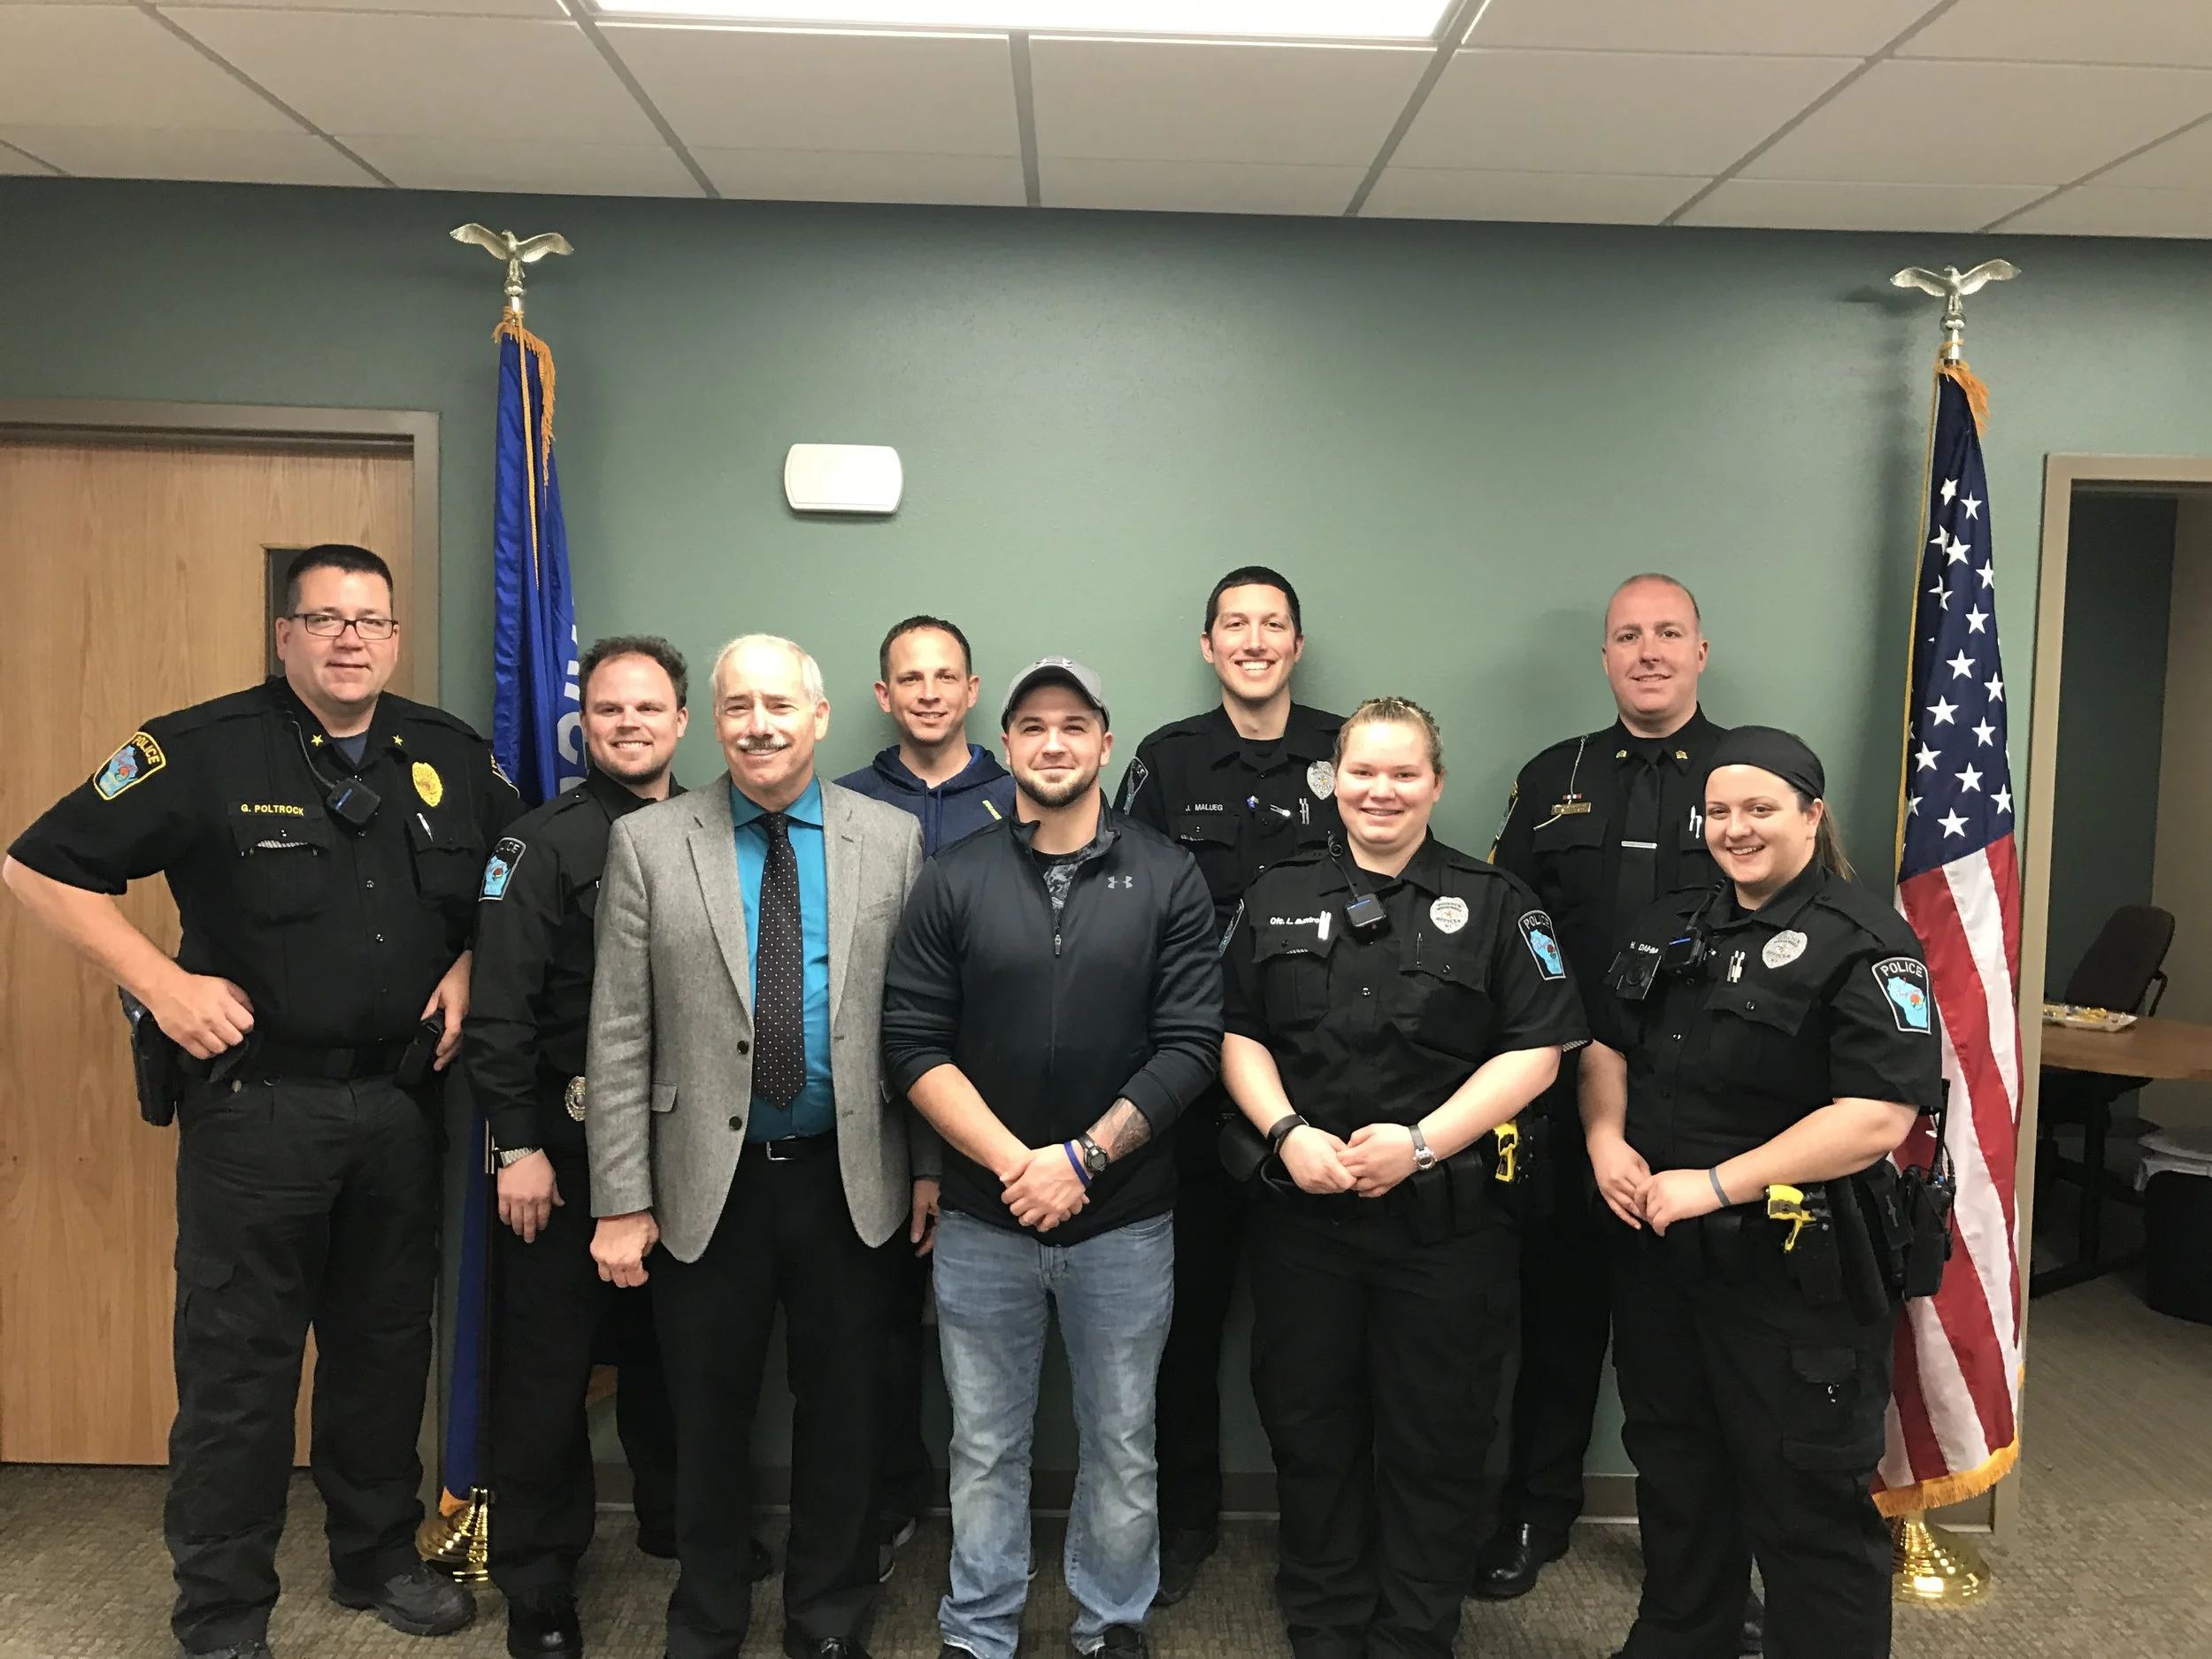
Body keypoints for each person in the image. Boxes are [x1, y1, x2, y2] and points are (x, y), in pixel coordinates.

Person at [2, 544, 517, 1659]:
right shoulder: (199, 748)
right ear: (285, 635)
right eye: (324, 619)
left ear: (394, 637)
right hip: (257, 1111)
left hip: (400, 1105)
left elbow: (510, 883)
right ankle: (224, 1611)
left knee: (384, 1356)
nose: (349, 640)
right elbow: (37, 866)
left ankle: (374, 1557)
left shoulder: (448, 752)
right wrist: (161, 985)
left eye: (370, 621)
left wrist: (472, 966)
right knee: (240, 1372)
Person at [584, 634, 926, 1659]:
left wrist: (930, 1171)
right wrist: (619, 1197)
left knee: (845, 1419)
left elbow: (920, 1022)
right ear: (713, 722)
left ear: (818, 717)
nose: (759, 725)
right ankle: (708, 1618)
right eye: (738, 706)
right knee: (706, 1420)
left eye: (779, 705)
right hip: (704, 1185)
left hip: (849, 1180)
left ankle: (827, 1621)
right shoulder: (650, 843)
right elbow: (619, 1030)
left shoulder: (890, 838)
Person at [1221, 696, 1584, 1659]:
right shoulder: (1275, 893)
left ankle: (1416, 1628)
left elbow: (1539, 1050)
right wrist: (1286, 1132)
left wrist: (1420, 1143)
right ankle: (1325, 1618)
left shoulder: (1497, 900)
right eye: (1364, 771)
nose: (1380, 790)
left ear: (1435, 783)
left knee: (1440, 1436)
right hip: (1306, 1218)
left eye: (1403, 773)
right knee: (1309, 1426)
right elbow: (1237, 1032)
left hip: (1447, 1226)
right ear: (1333, 780)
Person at [882, 657, 1222, 1659]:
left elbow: (1191, 1045)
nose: (1053, 742)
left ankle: (1110, 1620)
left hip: (1126, 1220)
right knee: (984, 1442)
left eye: (1074, 724)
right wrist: (1018, 1165)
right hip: (984, 1220)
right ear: (1008, 746)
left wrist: (1082, 1160)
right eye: (1032, 726)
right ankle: (979, 1625)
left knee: (1122, 1441)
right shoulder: (954, 877)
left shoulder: (1169, 874)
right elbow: (912, 1042)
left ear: (1105, 743)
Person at [1581, 727, 1941, 1659]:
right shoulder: (1669, 922)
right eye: (1718, 811)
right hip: (1665, 1261)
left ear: (1811, 815)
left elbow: (1876, 1116)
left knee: (1805, 1501)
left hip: (1794, 1270)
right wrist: (1605, 1137)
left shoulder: (1864, 939)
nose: (1735, 828)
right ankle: (1682, 1639)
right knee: (1676, 1472)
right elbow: (1607, 1045)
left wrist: (1713, 1185)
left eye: (1759, 809)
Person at [468, 635, 762, 1657]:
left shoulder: (721, 831)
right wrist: (517, 1147)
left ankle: (679, 1521)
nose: (628, 724)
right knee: (547, 1378)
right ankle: (538, 1581)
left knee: (681, 1359)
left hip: (688, 1146)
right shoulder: (537, 845)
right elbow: (500, 1012)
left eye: (647, 708)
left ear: (681, 722)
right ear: (582, 726)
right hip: (567, 1148)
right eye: (607, 709)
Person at [1478, 572, 1733, 1609]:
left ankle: (1696, 1551)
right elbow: (1509, 930)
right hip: (1563, 1099)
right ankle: (1535, 1510)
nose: (1648, 652)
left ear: (1700, 652)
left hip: (1707, 1106)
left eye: (1668, 633)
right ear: (1604, 657)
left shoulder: (1747, 774)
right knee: (1557, 1321)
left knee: (1695, 1348)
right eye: (1627, 636)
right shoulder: (1555, 776)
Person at [1116, 565, 1341, 1604]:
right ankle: (1185, 1524)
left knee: (1313, 1342)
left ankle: (1321, 1542)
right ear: (1208, 645)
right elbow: (1126, 906)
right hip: (1192, 1095)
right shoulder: (1166, 759)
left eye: (1272, 624)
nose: (1253, 640)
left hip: (1319, 1096)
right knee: (1183, 1329)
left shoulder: (1350, 751)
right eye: (1234, 625)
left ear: (1296, 643)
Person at [835, 613, 1017, 1568]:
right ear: (884, 695)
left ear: (972, 690)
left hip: (1005, 1108)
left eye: (946, 676)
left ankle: (996, 1524)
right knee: (878, 1326)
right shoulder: (845, 802)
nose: (930, 692)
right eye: (911, 678)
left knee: (999, 1332)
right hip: (875, 1104)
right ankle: (892, 1496)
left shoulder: (1022, 795)